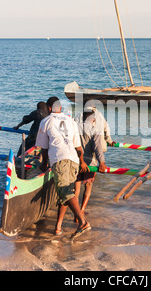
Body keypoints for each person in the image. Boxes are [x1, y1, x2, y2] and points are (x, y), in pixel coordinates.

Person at [35, 97, 91, 238]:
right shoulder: (71, 121)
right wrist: (82, 161)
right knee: (66, 193)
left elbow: (44, 148)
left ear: (49, 108)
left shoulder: (46, 121)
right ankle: (58, 227)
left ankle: (83, 222)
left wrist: (43, 164)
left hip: (60, 160)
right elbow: (78, 147)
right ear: (60, 107)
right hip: (74, 160)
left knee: (65, 191)